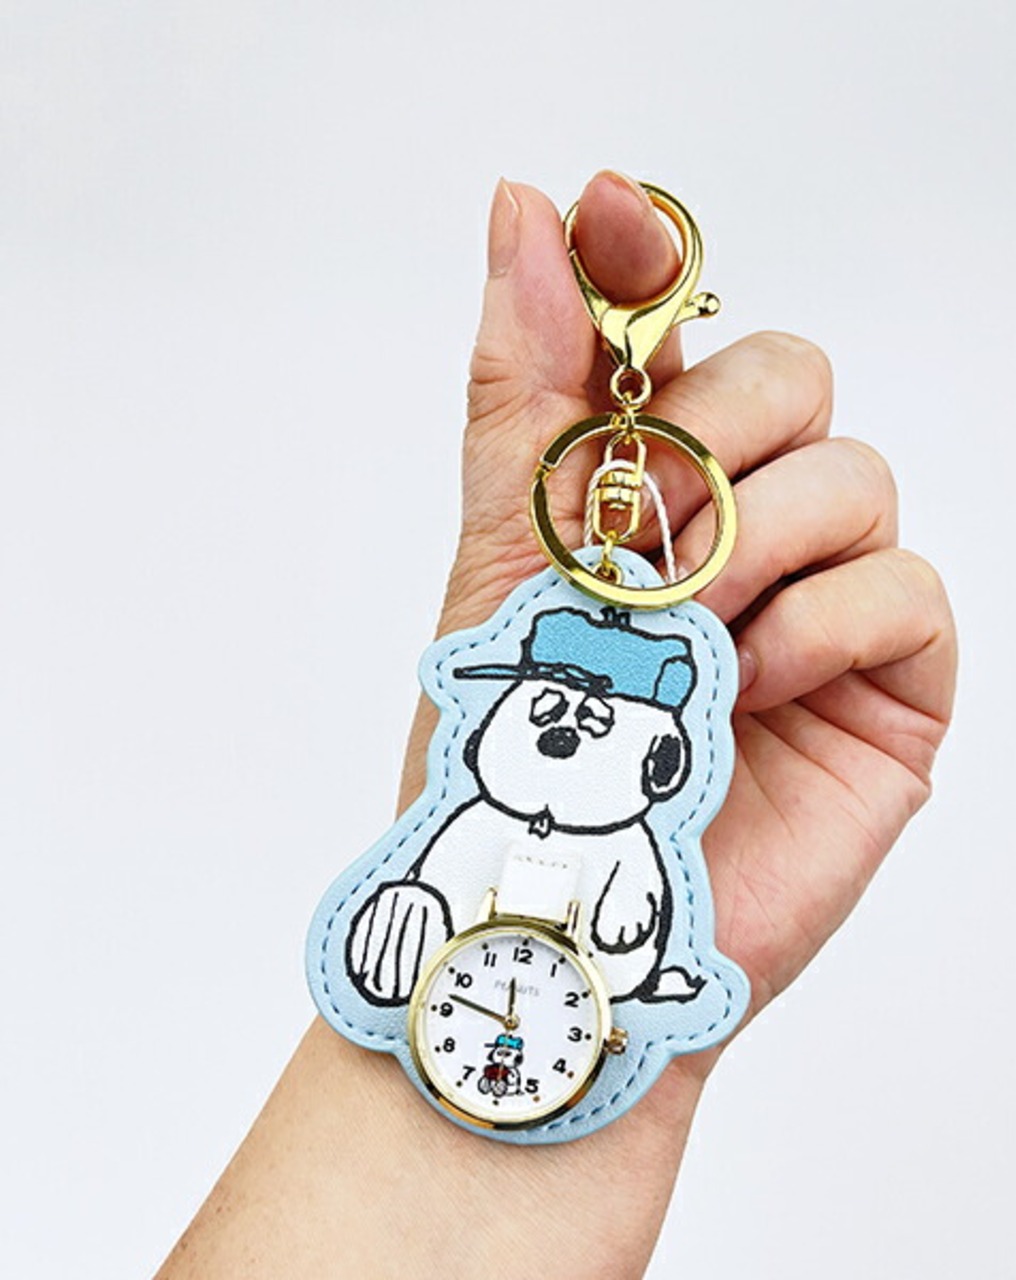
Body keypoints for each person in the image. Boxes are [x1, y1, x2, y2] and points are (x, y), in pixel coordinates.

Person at [156, 169, 957, 1279]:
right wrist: (412, 933)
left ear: (665, 758)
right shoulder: (465, 823)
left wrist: (638, 1004)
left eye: (593, 719)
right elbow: (428, 892)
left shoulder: (652, 846)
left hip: (583, 1000)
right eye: (547, 711)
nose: (568, 735)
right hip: (472, 994)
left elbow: (644, 933)